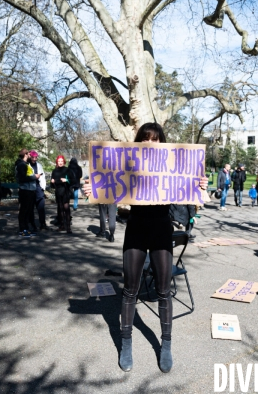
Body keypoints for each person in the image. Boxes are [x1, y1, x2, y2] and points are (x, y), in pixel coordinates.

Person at [83, 122, 208, 373]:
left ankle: (166, 345)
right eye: (145, 139)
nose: (150, 143)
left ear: (162, 143)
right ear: (138, 143)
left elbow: (191, 191)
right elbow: (109, 186)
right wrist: (92, 188)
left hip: (162, 230)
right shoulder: (129, 167)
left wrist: (200, 186)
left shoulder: (171, 168)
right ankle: (126, 343)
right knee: (130, 290)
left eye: (155, 139)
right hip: (136, 229)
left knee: (164, 290)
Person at [15, 149, 39, 237]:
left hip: (30, 190)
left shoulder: (25, 164)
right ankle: (22, 229)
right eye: (29, 154)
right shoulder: (21, 165)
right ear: (25, 154)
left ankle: (27, 228)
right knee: (23, 210)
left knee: (28, 210)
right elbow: (22, 178)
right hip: (25, 191)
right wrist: (34, 177)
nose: (30, 155)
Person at [50, 155, 74, 234]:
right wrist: (52, 182)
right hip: (58, 191)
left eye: (61, 161)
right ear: (57, 162)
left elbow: (73, 180)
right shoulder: (54, 171)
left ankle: (68, 227)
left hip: (65, 191)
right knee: (60, 209)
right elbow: (52, 185)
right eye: (59, 161)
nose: (60, 163)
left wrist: (66, 180)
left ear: (64, 162)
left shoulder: (67, 170)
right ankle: (62, 225)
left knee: (66, 208)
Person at [28, 151, 47, 231]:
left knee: (41, 207)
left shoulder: (39, 165)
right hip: (30, 189)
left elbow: (43, 176)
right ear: (30, 157)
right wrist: (34, 176)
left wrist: (43, 188)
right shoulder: (27, 165)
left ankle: (42, 223)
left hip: (39, 188)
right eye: (33, 157)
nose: (34, 159)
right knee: (31, 208)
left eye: (36, 157)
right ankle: (32, 224)